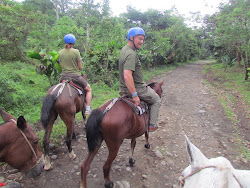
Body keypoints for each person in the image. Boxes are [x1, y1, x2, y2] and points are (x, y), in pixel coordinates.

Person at [118, 27, 161, 132]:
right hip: (137, 88)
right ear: (131, 38)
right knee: (156, 100)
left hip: (122, 88)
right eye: (139, 39)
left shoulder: (124, 49)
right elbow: (127, 75)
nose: (142, 42)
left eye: (143, 39)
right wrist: (134, 95)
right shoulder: (131, 54)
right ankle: (152, 125)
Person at [59, 34, 92, 115]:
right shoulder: (76, 52)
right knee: (89, 89)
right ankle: (88, 108)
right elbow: (80, 67)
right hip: (75, 76)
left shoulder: (60, 52)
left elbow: (61, 65)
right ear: (73, 43)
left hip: (63, 76)